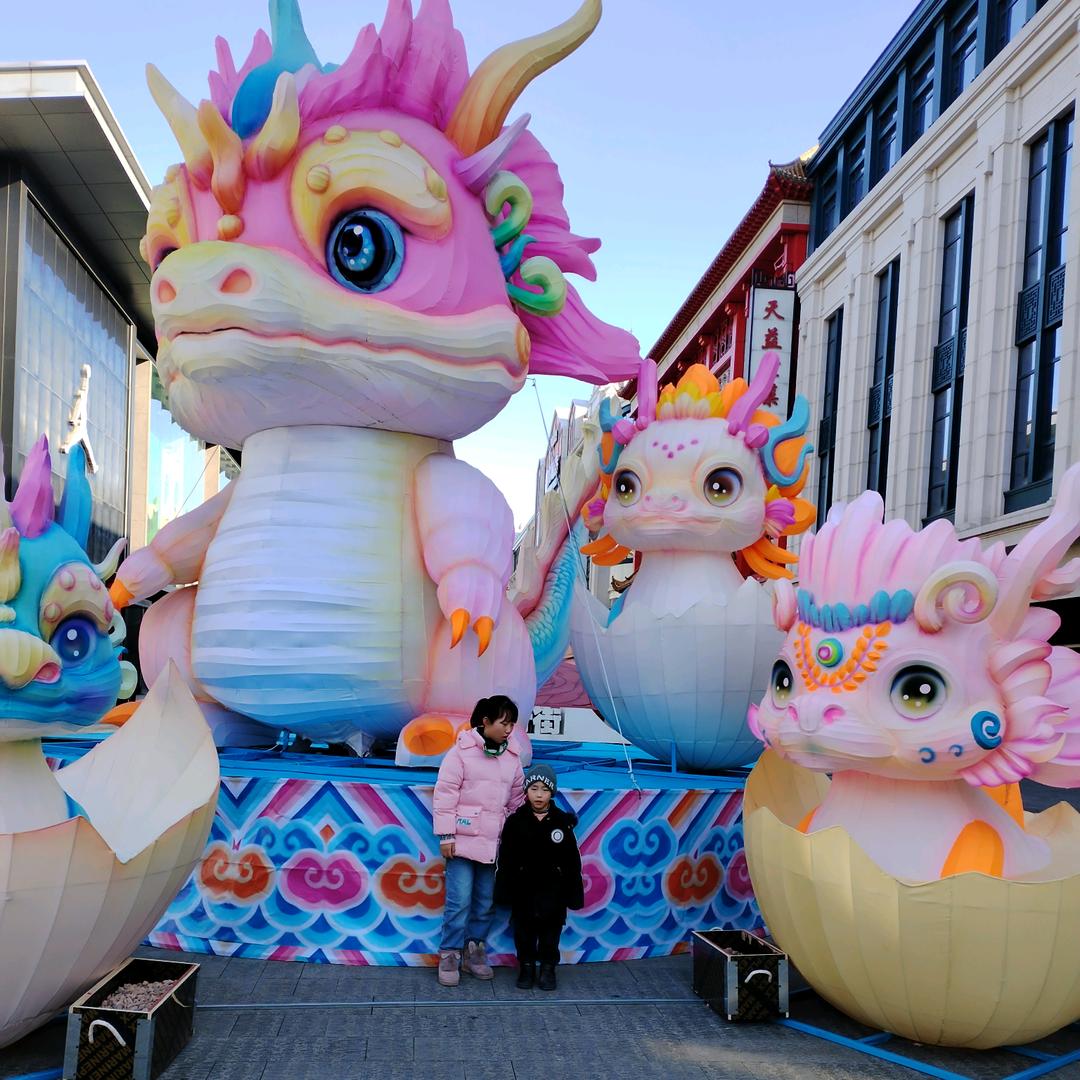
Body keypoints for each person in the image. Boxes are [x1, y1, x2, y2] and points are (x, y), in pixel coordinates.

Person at [432, 695, 524, 987]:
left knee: (485, 902)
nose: (509, 729)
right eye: (504, 722)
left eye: (512, 724)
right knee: (458, 902)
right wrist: (446, 835)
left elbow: (517, 799)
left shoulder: (513, 758)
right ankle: (449, 954)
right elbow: (445, 794)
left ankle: (476, 951)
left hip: (494, 845)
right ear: (486, 722)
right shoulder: (459, 753)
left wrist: (510, 836)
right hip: (461, 842)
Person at [495, 764, 584, 991]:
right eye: (534, 788)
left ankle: (547, 969)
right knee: (523, 932)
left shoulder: (561, 823)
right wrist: (504, 890)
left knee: (550, 934)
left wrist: (573, 892)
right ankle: (526, 967)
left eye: (544, 789)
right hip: (523, 890)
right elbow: (506, 859)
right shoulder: (515, 822)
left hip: (552, 892)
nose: (539, 794)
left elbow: (572, 860)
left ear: (552, 792)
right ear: (526, 791)